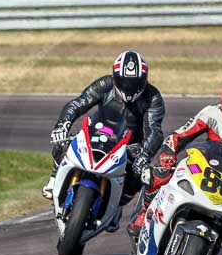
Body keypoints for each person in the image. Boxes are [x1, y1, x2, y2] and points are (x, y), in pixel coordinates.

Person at [127, 77, 222, 254]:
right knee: (160, 174)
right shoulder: (212, 113)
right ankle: (144, 214)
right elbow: (177, 137)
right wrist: (168, 154)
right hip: (202, 170)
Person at [43, 51, 165, 230]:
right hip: (98, 131)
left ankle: (118, 205)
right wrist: (63, 125)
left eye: (134, 83)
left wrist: (145, 154)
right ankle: (55, 176)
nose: (129, 87)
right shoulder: (104, 84)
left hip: (128, 144)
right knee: (65, 141)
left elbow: (154, 130)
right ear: (115, 78)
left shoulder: (152, 97)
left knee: (139, 173)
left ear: (144, 81)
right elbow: (78, 104)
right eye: (124, 82)